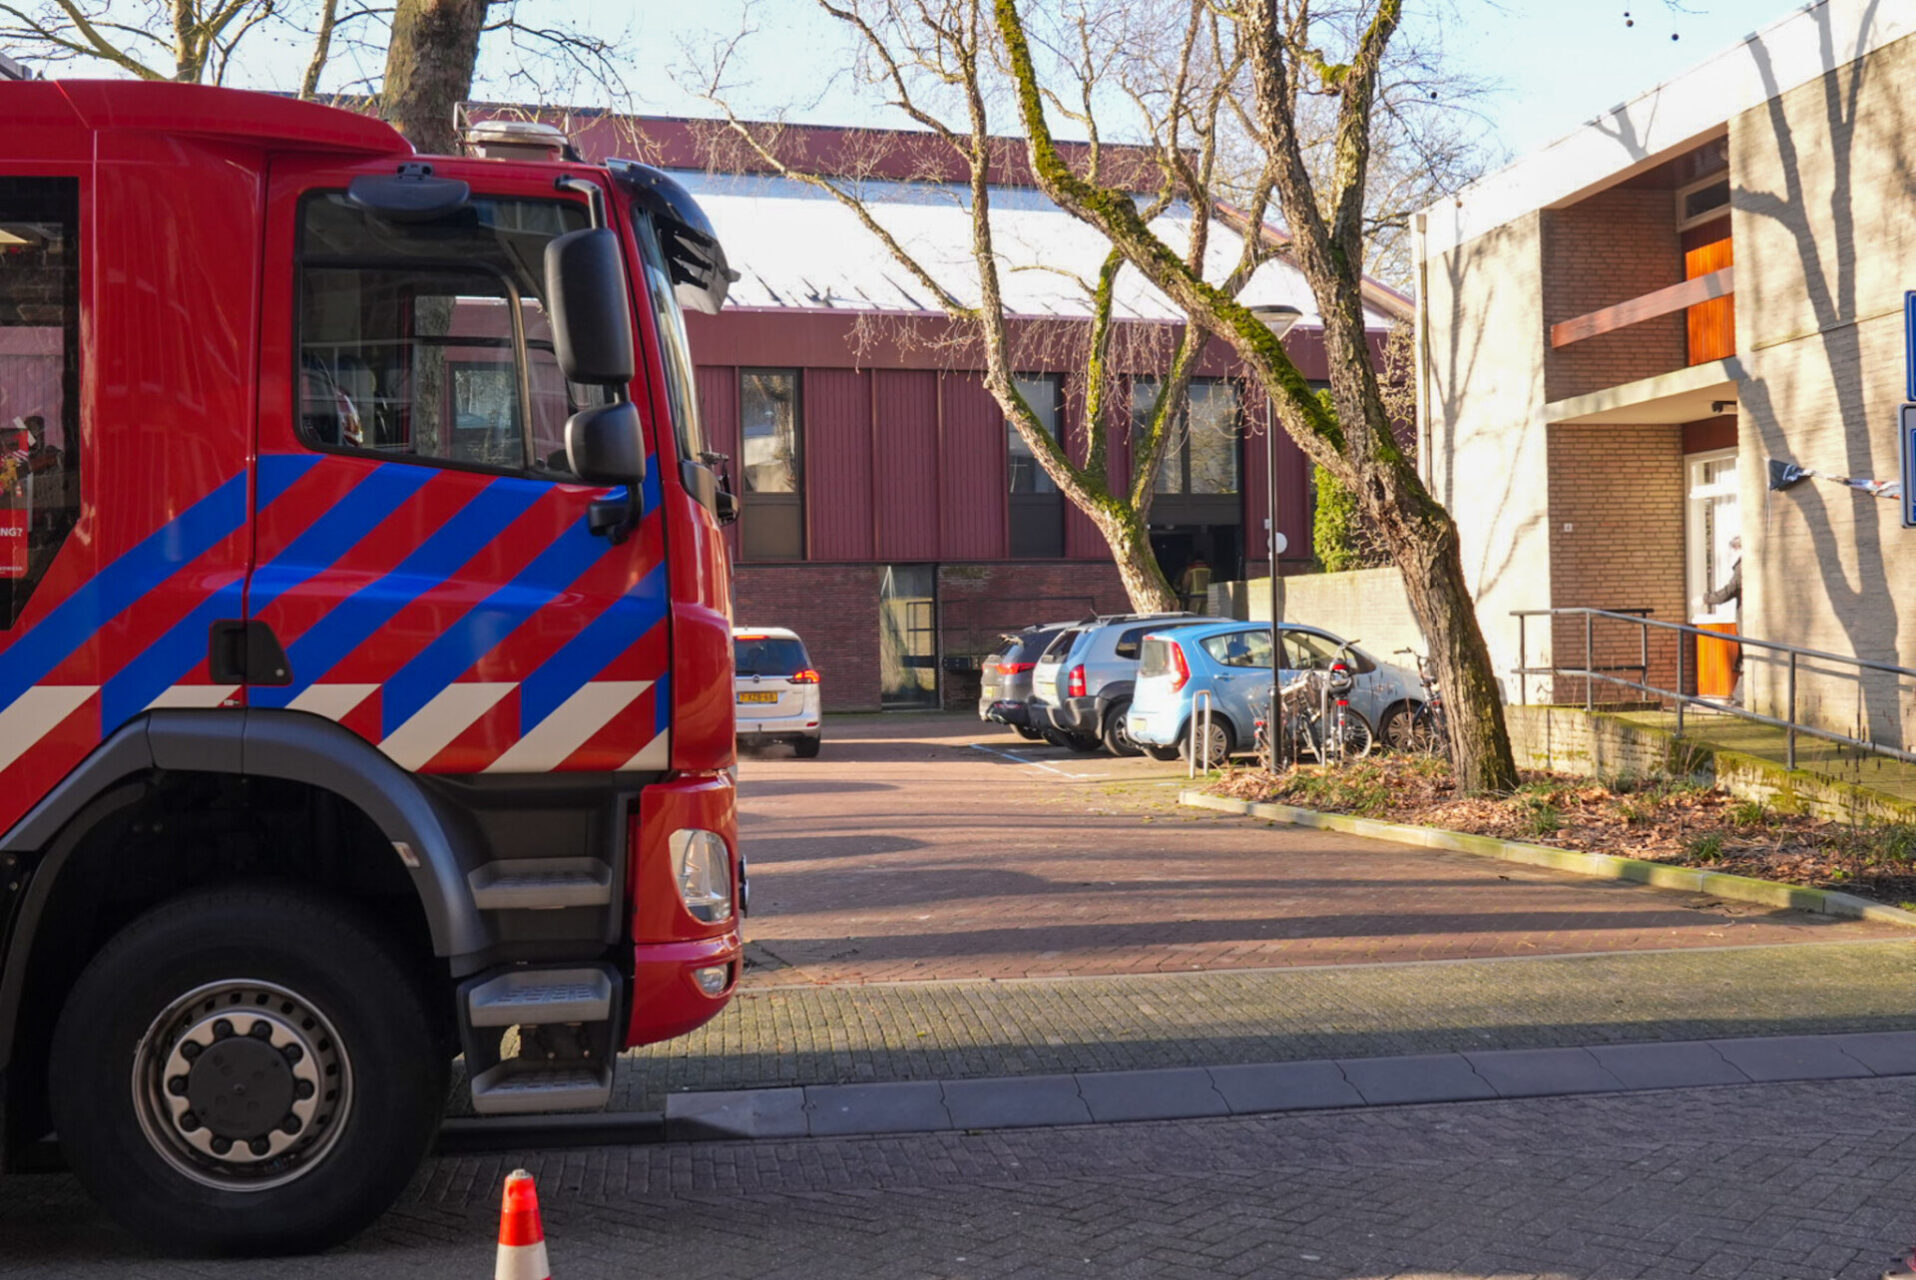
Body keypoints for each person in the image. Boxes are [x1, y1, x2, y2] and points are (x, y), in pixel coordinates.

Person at [1702, 535, 1743, 702]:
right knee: (1745, 656)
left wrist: (1706, 599)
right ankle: (1739, 696)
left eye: (1734, 548)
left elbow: (1729, 590)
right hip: (1746, 618)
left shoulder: (1743, 566)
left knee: (1747, 656)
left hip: (1747, 619)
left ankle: (1740, 697)